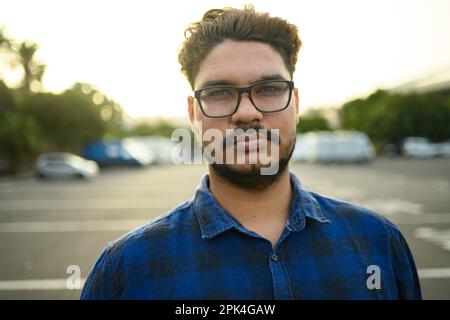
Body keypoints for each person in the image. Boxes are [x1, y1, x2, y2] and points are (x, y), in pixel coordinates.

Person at [81, 5, 422, 300]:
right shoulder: (126, 269)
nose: (246, 113)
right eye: (219, 92)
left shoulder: (379, 242)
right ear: (192, 114)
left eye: (270, 89)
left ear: (297, 104)